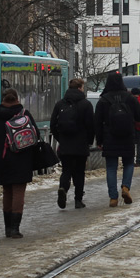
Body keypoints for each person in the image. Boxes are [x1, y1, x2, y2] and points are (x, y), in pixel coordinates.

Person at [0, 88, 38, 238]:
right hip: (22, 159)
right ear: (17, 98)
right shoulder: (24, 114)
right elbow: (36, 135)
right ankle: (15, 229)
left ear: (3, 98)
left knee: (7, 192)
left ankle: (7, 228)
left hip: (3, 159)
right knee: (18, 193)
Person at [95, 72, 140, 207]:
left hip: (109, 137)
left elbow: (97, 122)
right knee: (128, 163)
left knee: (111, 167)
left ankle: (113, 198)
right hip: (127, 136)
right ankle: (126, 187)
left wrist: (99, 140)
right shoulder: (130, 98)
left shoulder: (103, 100)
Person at [49, 77, 96, 209]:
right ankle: (78, 200)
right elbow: (91, 126)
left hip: (65, 144)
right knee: (79, 172)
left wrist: (60, 138)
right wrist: (89, 141)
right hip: (81, 144)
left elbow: (53, 124)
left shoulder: (60, 104)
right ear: (80, 88)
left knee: (66, 170)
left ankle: (63, 188)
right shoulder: (86, 104)